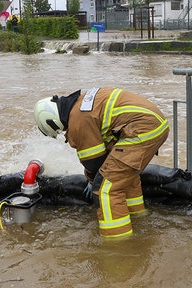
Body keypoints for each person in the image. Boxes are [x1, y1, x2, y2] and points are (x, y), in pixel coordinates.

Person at [34, 88, 168, 239]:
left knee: (106, 188)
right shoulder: (82, 104)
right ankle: (138, 218)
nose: (64, 132)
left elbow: (94, 162)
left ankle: (119, 242)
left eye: (60, 130)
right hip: (154, 124)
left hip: (141, 129)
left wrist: (92, 182)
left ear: (52, 121)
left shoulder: (78, 120)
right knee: (124, 177)